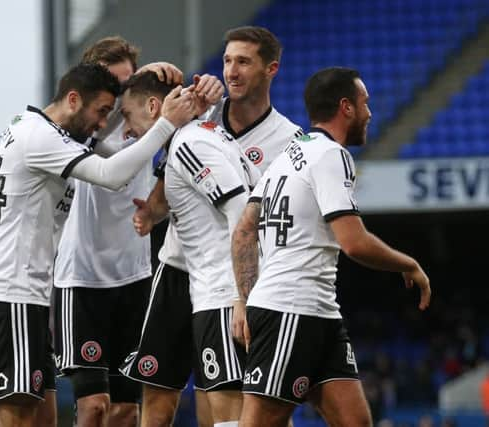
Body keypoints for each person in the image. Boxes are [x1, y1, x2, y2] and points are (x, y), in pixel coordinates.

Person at [0, 62, 196, 427]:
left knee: (43, 418)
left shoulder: (34, 129)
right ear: (73, 99)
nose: (105, 123)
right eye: (102, 112)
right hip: (8, 293)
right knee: (18, 417)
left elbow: (107, 148)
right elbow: (111, 174)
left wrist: (141, 80)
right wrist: (165, 122)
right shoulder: (39, 138)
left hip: (28, 296)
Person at [122, 26, 302, 427]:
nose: (231, 71)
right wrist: (151, 211)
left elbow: (262, 214)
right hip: (177, 269)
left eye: (243, 61)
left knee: (226, 401)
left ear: (271, 69)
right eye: (227, 61)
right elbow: (150, 116)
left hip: (228, 278)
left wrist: (249, 292)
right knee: (157, 398)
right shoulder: (203, 118)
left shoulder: (290, 141)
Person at [231, 66, 431, 427]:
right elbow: (354, 242)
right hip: (289, 308)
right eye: (364, 103)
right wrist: (408, 263)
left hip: (318, 311)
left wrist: (245, 299)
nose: (369, 112)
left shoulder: (289, 156)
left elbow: (245, 229)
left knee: (356, 422)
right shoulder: (331, 156)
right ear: (346, 107)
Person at [53, 36, 223, 427]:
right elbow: (116, 169)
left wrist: (207, 93)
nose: (122, 93)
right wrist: (149, 83)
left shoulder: (148, 123)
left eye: (129, 83)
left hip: (135, 276)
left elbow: (191, 128)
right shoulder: (85, 130)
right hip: (83, 278)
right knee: (94, 406)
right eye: (116, 84)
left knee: (128, 410)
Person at [119, 70, 261, 427]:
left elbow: (242, 212)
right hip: (205, 285)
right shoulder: (205, 137)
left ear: (154, 107)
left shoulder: (189, 144)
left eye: (127, 116)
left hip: (222, 292)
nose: (125, 129)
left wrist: (241, 296)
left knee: (229, 415)